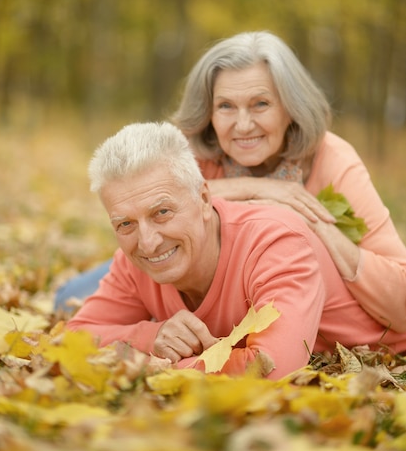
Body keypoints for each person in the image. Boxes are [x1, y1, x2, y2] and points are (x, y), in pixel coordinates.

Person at [56, 31, 406, 334]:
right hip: (176, 264)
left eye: (260, 104)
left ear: (290, 107)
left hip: (279, 294)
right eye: (225, 106)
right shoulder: (194, 151)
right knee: (68, 300)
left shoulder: (333, 160)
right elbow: (136, 211)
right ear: (208, 112)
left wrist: (317, 226)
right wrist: (257, 189)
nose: (242, 125)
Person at [66, 121, 406, 379]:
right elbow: (73, 338)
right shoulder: (135, 257)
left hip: (386, 356)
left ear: (202, 199)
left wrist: (150, 364)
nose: (148, 241)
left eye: (162, 213)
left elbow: (268, 368)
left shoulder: (276, 243)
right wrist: (151, 335)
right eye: (124, 224)